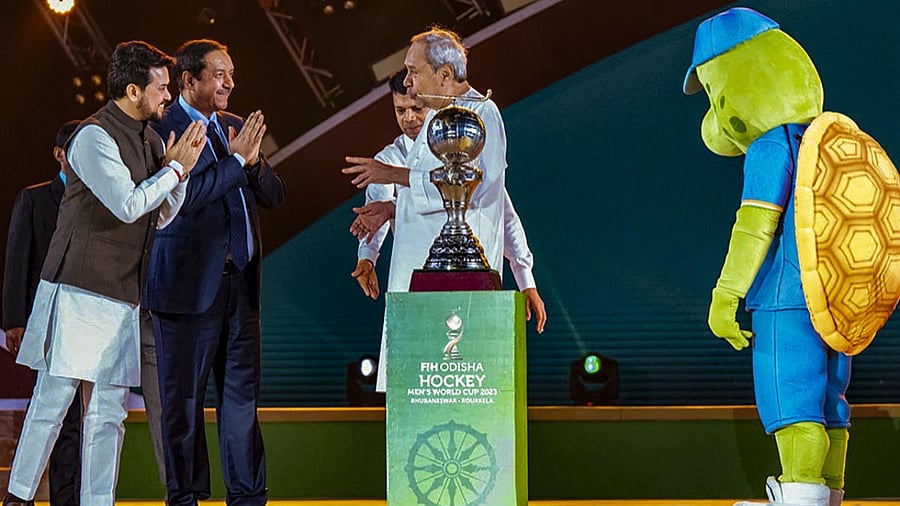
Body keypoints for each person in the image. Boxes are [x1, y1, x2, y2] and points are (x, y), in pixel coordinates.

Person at [2, 40, 206, 506]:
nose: (168, 96)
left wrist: (182, 172)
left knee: (109, 412)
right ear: (133, 90)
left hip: (122, 296)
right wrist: (174, 171)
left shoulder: (151, 140)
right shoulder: (93, 137)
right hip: (78, 290)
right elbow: (129, 204)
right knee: (54, 402)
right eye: (161, 87)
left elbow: (161, 213)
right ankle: (18, 498)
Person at [343, 29, 546, 392]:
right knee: (414, 392)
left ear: (445, 75)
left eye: (413, 71)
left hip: (460, 280)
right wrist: (391, 209)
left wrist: (524, 274)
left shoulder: (481, 115)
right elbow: (426, 195)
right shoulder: (437, 121)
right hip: (414, 286)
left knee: (452, 388)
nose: (408, 82)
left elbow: (484, 193)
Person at [146, 39, 285, 506]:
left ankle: (247, 495)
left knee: (242, 400)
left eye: (232, 74)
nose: (230, 83)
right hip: (186, 288)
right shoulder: (163, 128)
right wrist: (236, 161)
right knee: (183, 404)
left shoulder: (233, 128)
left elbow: (275, 195)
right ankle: (183, 497)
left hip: (241, 287)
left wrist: (253, 159)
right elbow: (182, 201)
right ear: (189, 80)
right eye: (219, 75)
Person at [3, 120, 82, 506]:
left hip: (88, 324)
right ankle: (21, 496)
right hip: (47, 323)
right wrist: (14, 320)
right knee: (50, 414)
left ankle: (66, 500)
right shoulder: (34, 199)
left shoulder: (100, 201)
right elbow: (17, 261)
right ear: (59, 154)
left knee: (77, 421)